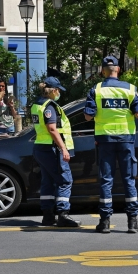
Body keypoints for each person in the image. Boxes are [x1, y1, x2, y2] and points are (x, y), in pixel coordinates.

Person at [84, 55, 138, 234]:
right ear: (118, 69)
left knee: (106, 180)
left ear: (103, 70)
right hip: (126, 140)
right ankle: (132, 222)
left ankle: (105, 222)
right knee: (128, 179)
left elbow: (88, 116)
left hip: (105, 140)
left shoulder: (96, 90)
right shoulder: (130, 89)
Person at [31, 77, 80, 228]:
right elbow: (52, 129)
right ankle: (63, 214)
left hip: (40, 147)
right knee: (65, 180)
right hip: (51, 149)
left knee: (48, 181)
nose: (59, 93)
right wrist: (63, 148)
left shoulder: (36, 104)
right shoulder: (49, 106)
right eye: (58, 90)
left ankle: (48, 216)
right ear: (52, 91)